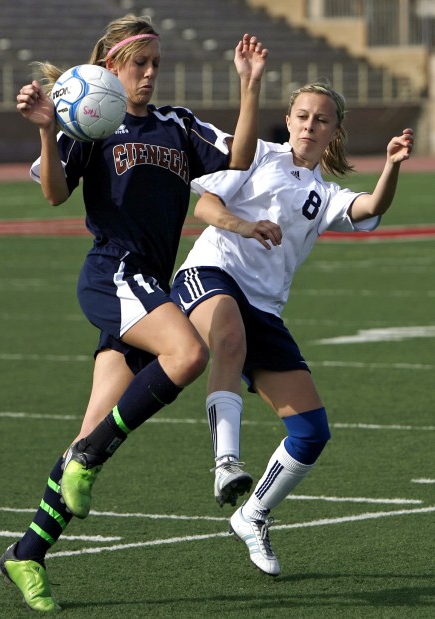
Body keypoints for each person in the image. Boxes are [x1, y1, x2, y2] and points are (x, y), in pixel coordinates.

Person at [0, 14, 268, 612]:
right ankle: (89, 461)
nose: (148, 75)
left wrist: (249, 84)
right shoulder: (92, 119)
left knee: (88, 432)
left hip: (147, 284)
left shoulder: (177, 125)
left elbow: (240, 156)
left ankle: (25, 555)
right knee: (189, 353)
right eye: (138, 64)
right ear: (111, 68)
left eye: (155, 66)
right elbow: (54, 193)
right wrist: (47, 129)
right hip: (114, 272)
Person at [169, 81, 414, 576]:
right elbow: (206, 208)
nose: (309, 125)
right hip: (209, 275)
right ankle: (227, 463)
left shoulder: (323, 194)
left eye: (321, 120)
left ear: (334, 132)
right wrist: (246, 226)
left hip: (264, 308)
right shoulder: (256, 154)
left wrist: (391, 165)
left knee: (310, 431)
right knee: (229, 339)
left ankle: (253, 513)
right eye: (302, 116)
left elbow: (370, 208)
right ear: (289, 120)